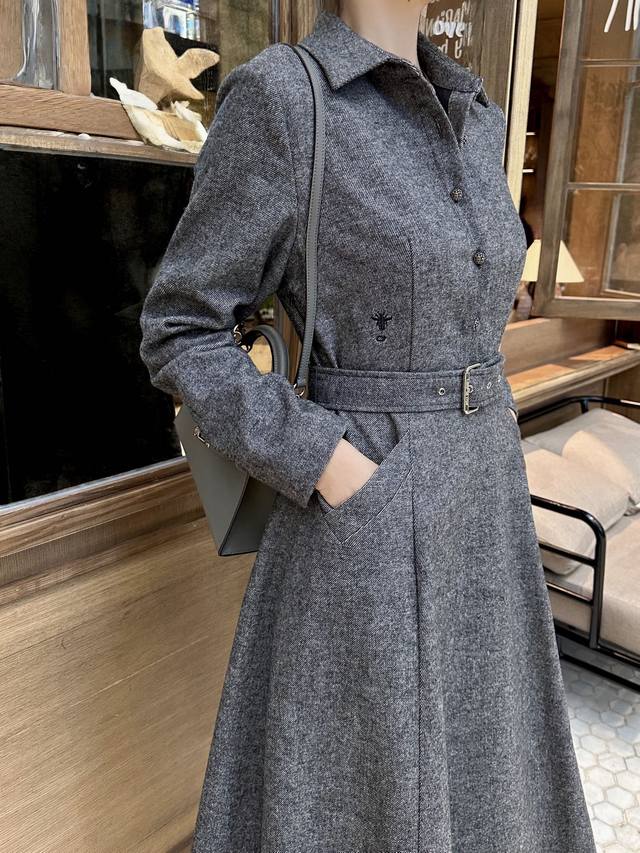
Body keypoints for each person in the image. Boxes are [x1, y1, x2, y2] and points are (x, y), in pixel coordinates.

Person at [138, 2, 597, 850]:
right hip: (365, 515)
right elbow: (180, 328)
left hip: (485, 508)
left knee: (488, 778)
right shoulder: (286, 98)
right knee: (365, 797)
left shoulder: (476, 112)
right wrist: (326, 459)